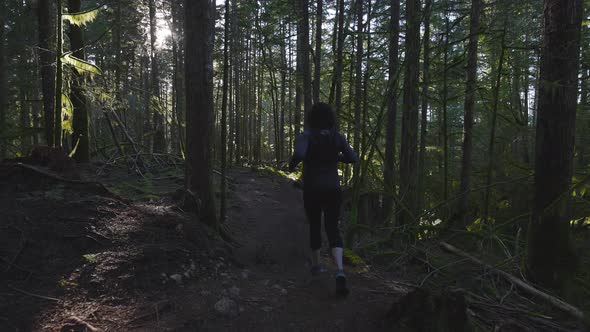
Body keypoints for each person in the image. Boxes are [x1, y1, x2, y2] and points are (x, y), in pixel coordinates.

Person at [288, 102, 357, 296]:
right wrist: (337, 157)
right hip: (334, 189)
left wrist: (291, 165)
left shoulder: (306, 135)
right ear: (330, 119)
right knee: (333, 228)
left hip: (312, 189)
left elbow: (299, 154)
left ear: (311, 118)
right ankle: (340, 272)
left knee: (315, 225)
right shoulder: (338, 137)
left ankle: (317, 266)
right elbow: (353, 157)